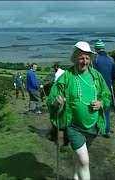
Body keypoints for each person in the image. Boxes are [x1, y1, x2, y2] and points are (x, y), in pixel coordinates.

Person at [47, 41, 111, 180]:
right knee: (84, 160)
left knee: (81, 158)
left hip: (93, 126)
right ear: (75, 58)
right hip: (74, 126)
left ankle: (76, 177)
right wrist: (56, 102)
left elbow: (106, 96)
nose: (84, 61)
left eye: (87, 58)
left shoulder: (96, 76)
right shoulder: (66, 77)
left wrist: (100, 103)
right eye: (81, 58)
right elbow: (52, 98)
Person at [93, 39, 115, 138]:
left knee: (96, 108)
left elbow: (92, 74)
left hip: (97, 88)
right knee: (106, 108)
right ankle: (107, 130)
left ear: (96, 49)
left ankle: (97, 129)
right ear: (103, 48)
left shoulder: (95, 60)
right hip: (108, 87)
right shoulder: (111, 59)